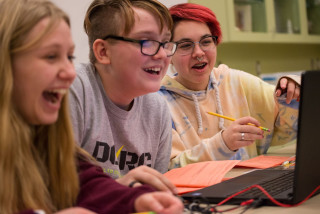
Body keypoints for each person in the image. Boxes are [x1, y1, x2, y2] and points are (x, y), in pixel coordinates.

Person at [0, 0, 184, 213]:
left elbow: (83, 178)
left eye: (69, 57)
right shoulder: (74, 91)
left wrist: (135, 199)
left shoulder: (41, 135)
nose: (69, 72)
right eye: (51, 56)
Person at [159, 3, 301, 169]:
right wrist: (223, 143)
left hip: (250, 186)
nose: (198, 52)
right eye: (185, 45)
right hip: (198, 194)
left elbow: (288, 126)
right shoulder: (158, 103)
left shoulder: (234, 81)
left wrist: (293, 89)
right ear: (168, 52)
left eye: (206, 42)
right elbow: (169, 168)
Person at [68, 0, 178, 193]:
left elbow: (155, 192)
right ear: (103, 52)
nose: (162, 55)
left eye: (165, 43)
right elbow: (52, 192)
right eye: (147, 42)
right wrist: (118, 191)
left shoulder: (157, 107)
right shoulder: (73, 89)